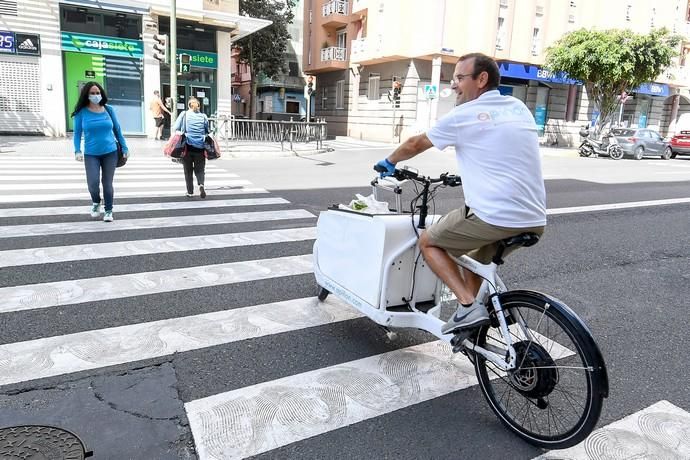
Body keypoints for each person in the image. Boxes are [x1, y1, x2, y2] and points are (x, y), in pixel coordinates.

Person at [375, 53, 546, 336]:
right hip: (534, 218)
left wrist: (390, 161)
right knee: (478, 258)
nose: (454, 85)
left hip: (495, 216)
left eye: (459, 78)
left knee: (429, 241)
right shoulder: (518, 107)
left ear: (482, 79)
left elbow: (417, 142)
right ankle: (469, 317)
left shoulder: (466, 114)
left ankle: (467, 306)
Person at [73, 81, 129, 222]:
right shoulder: (81, 112)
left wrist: (125, 147)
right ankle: (96, 202)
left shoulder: (108, 109)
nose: (95, 95)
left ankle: (109, 211)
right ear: (86, 95)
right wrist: (77, 150)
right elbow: (77, 133)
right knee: (92, 183)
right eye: (92, 93)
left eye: (98, 93)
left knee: (107, 183)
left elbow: (117, 130)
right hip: (91, 153)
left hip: (110, 151)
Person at [172, 97, 209, 198]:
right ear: (199, 106)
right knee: (200, 169)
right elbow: (207, 131)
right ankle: (201, 185)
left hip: (187, 147)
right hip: (200, 147)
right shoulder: (204, 116)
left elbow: (175, 128)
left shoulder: (184, 114)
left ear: (189, 105)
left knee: (188, 170)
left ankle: (190, 192)